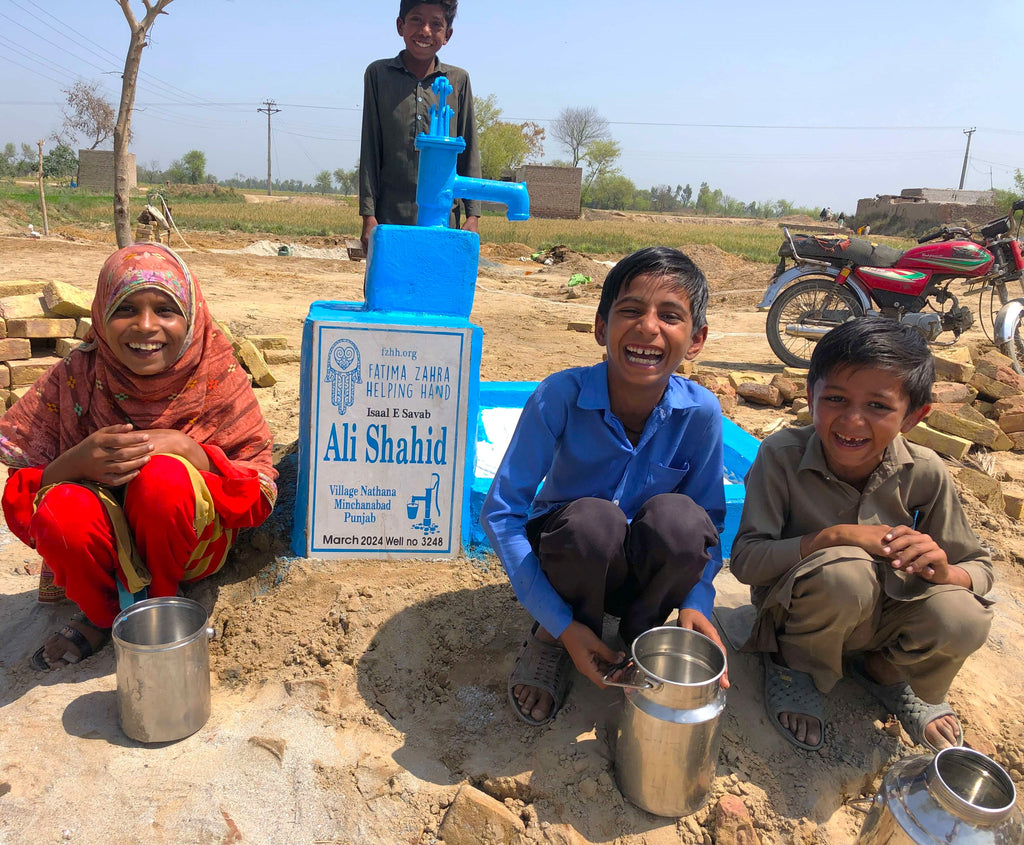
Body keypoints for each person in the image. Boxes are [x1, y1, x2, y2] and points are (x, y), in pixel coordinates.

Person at [0, 243, 278, 671]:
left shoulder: (216, 373)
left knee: (162, 478)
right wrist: (75, 462)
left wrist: (192, 453)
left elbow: (256, 490)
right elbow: (23, 495)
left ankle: (164, 601)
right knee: (60, 509)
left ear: (191, 316)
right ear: (101, 314)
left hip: (191, 550)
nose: (145, 326)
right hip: (100, 552)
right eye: (126, 309)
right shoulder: (77, 375)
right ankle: (102, 614)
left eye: (165, 310)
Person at [480, 246, 728, 726]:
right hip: (572, 556)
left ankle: (640, 639)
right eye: (630, 310)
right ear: (601, 327)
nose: (648, 327)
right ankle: (555, 640)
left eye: (670, 315)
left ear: (696, 339)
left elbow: (710, 523)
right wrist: (559, 622)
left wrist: (697, 599)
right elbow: (503, 511)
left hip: (641, 576)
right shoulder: (560, 396)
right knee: (595, 521)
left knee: (681, 520)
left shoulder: (701, 412)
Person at [730, 316, 993, 752]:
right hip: (802, 614)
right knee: (845, 572)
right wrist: (831, 538)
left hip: (887, 615)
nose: (852, 420)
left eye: (878, 406)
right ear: (811, 396)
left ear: (913, 417)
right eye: (835, 398)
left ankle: (885, 673)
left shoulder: (925, 471)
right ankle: (795, 667)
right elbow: (745, 561)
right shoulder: (780, 457)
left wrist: (948, 572)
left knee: (963, 614)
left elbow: (979, 567)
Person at [358, 0, 481, 251]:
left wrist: (473, 215)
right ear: (400, 25)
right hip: (390, 220)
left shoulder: (458, 81)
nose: (425, 31)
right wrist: (368, 215)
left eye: (436, 24)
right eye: (416, 19)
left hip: (443, 221)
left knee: (436, 275)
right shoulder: (379, 75)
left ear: (447, 35)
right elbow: (370, 148)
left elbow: (468, 149)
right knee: (390, 277)